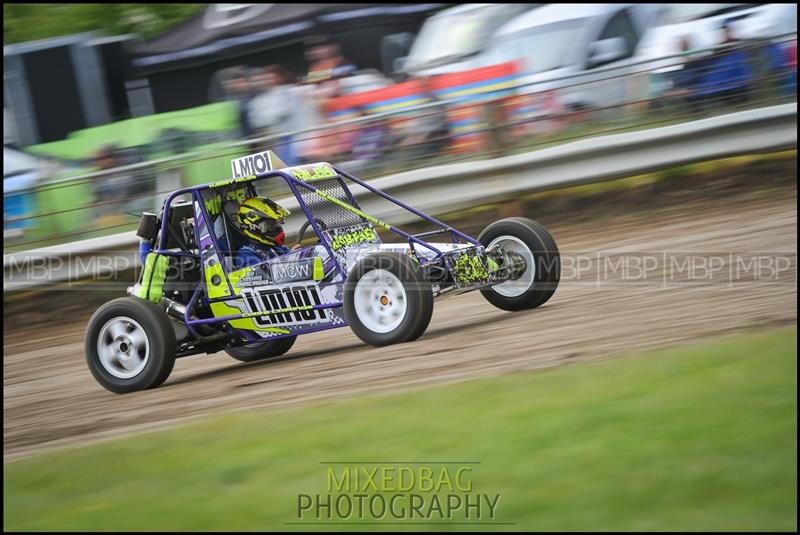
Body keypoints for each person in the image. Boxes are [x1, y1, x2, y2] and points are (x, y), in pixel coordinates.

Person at [234, 196, 292, 269]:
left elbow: (294, 259)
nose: (276, 229)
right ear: (252, 227)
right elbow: (264, 277)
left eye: (276, 223)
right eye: (269, 225)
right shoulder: (246, 255)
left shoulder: (275, 247)